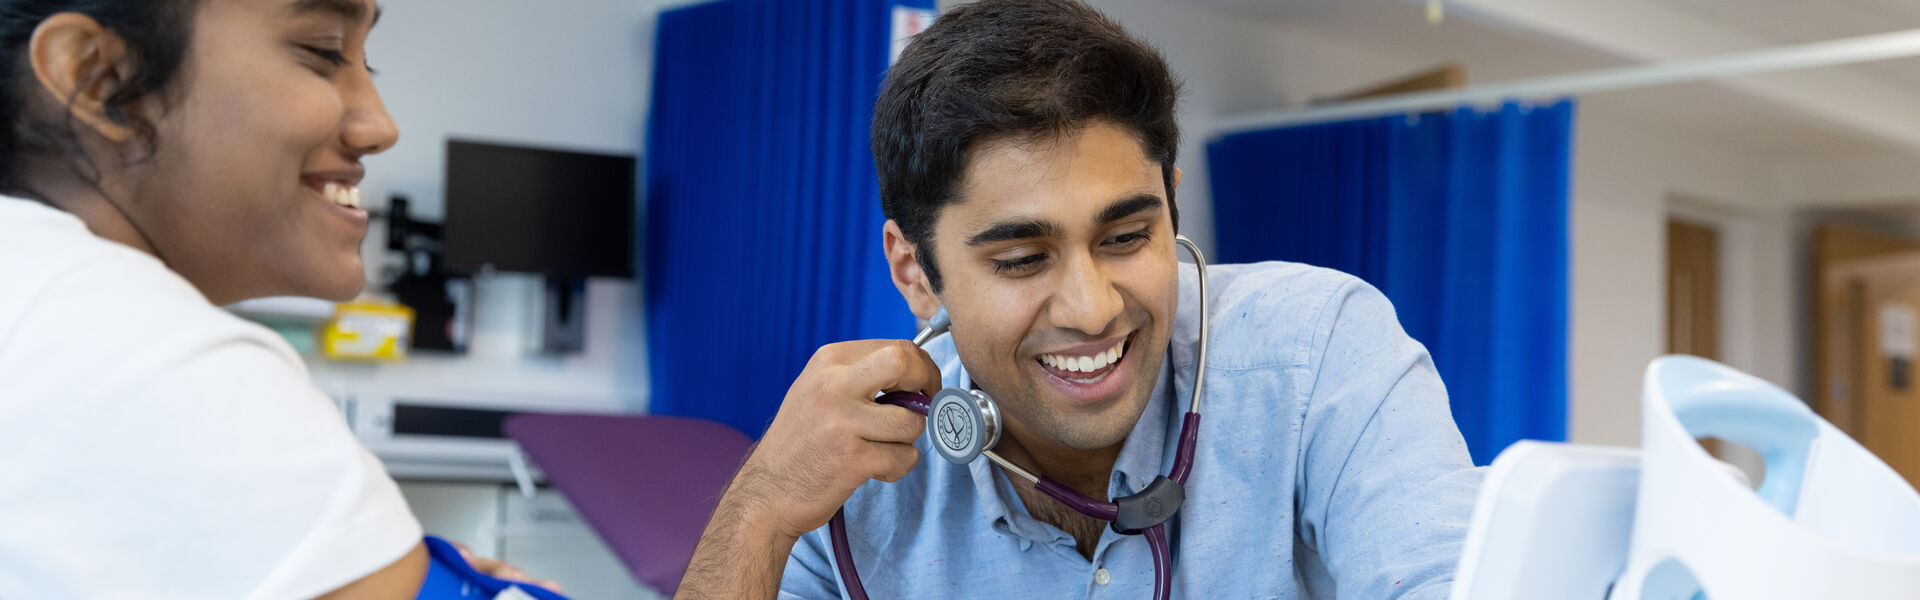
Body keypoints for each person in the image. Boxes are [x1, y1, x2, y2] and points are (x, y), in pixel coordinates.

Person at [674, 0, 1485, 598]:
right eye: (1023, 259)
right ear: (915, 271)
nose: (1092, 309)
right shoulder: (858, 481)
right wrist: (760, 505)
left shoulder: (1317, 354)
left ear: (1171, 205)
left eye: (1126, 237)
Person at [0, 0, 554, 597]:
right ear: (97, 79)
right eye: (323, 52)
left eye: (366, 63)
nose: (380, 126)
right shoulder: (140, 350)